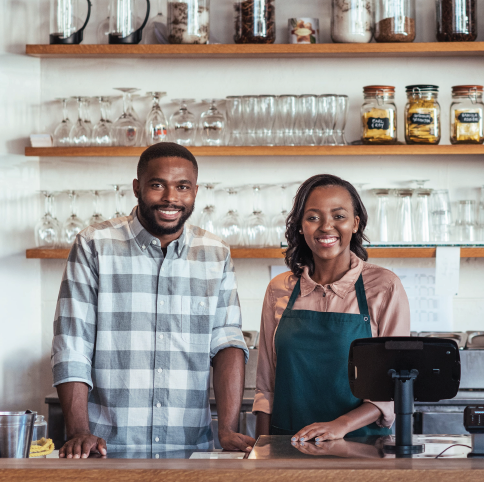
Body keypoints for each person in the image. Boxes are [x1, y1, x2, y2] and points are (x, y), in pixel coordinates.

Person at [51, 142, 255, 458]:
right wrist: (79, 431)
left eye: (182, 187)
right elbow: (72, 343)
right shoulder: (95, 245)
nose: (170, 197)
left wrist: (226, 428)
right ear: (137, 187)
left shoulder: (215, 252)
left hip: (190, 451)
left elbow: (227, 341)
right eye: (157, 185)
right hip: (106, 451)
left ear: (196, 192)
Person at [253, 174, 410, 441]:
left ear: (355, 223)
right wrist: (262, 451)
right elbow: (266, 386)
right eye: (313, 217)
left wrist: (340, 425)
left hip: (361, 448)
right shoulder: (279, 289)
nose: (327, 227)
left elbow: (391, 388)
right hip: (288, 445)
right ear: (300, 226)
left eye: (339, 216)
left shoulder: (384, 287)